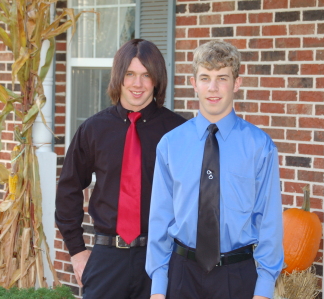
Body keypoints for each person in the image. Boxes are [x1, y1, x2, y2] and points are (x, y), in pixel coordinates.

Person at [146, 40, 283, 299]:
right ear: (193, 83)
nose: (213, 88)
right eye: (205, 78)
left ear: (237, 83)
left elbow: (269, 221)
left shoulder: (259, 146)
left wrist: (264, 289)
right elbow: (161, 218)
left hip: (237, 276)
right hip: (181, 275)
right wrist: (158, 287)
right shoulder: (170, 145)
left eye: (222, 78)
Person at [55, 39, 186, 299]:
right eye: (130, 74)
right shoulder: (94, 129)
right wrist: (78, 251)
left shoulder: (178, 132)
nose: (137, 84)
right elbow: (68, 189)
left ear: (157, 80)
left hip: (161, 260)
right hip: (107, 260)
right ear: (119, 77)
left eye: (146, 75)